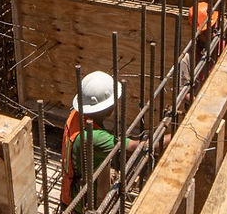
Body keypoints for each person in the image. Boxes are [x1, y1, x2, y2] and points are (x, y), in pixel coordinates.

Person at [59, 71, 169, 210]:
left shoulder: (77, 114)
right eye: (112, 101)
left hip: (76, 184)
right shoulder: (94, 137)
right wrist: (173, 136)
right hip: (83, 200)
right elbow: (136, 147)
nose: (115, 104)